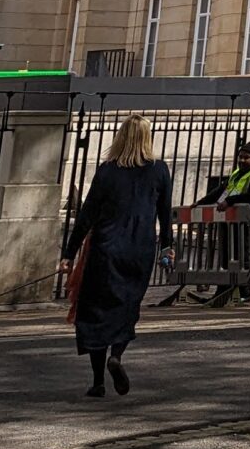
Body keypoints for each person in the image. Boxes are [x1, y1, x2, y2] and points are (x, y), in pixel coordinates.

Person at [60, 115, 173, 397]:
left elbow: (87, 213)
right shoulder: (159, 170)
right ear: (147, 138)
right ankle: (117, 356)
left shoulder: (107, 170)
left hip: (106, 247)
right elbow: (165, 214)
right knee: (127, 308)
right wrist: (167, 247)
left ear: (120, 137)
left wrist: (69, 253)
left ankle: (98, 381)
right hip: (139, 248)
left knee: (96, 311)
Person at [210, 136, 250, 306]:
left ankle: (245, 292)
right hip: (232, 222)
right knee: (227, 257)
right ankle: (224, 290)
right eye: (240, 157)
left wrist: (229, 201)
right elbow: (222, 190)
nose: (242, 160)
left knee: (246, 257)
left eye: (247, 157)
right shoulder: (237, 174)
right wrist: (201, 202)